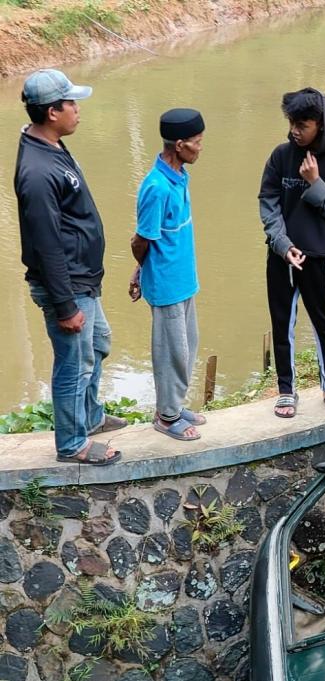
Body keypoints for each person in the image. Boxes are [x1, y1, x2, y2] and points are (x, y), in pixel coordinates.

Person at [14, 69, 124, 466]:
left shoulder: (51, 146)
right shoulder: (38, 172)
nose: (78, 110)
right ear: (51, 111)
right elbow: (45, 244)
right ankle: (73, 443)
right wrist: (64, 305)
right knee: (73, 366)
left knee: (98, 345)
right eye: (71, 103)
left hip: (83, 280)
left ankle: (91, 418)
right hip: (68, 286)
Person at [259, 88, 325, 419]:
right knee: (282, 323)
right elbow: (268, 202)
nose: (294, 131)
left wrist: (316, 184)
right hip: (281, 258)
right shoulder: (280, 156)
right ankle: (286, 391)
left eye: (302, 124)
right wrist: (282, 244)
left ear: (322, 124)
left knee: (323, 323)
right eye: (291, 123)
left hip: (319, 259)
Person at [129, 109, 207, 441]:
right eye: (197, 142)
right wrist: (140, 272)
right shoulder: (157, 187)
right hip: (166, 284)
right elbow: (140, 240)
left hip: (184, 279)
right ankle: (167, 416)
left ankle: (174, 403)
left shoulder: (180, 176)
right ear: (179, 145)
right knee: (170, 351)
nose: (201, 148)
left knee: (188, 345)